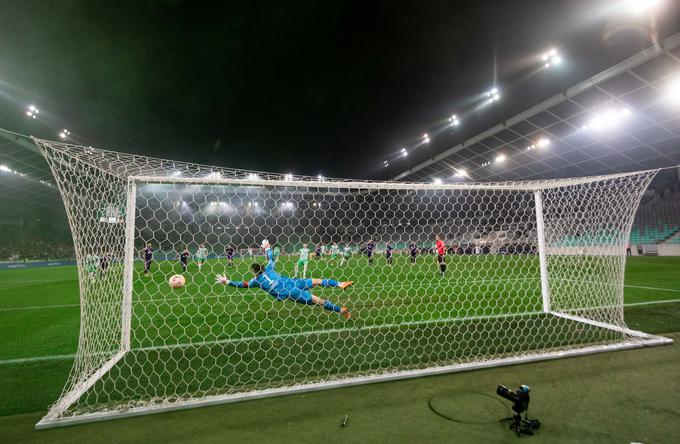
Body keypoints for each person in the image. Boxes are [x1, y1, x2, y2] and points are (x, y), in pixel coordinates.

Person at [217, 240, 352, 319]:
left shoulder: (255, 281)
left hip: (289, 291)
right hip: (291, 282)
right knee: (316, 281)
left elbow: (242, 284)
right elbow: (271, 258)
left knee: (318, 300)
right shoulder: (269, 268)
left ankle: (340, 310)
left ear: (254, 272)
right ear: (262, 268)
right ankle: (340, 284)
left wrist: (227, 281)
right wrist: (268, 247)